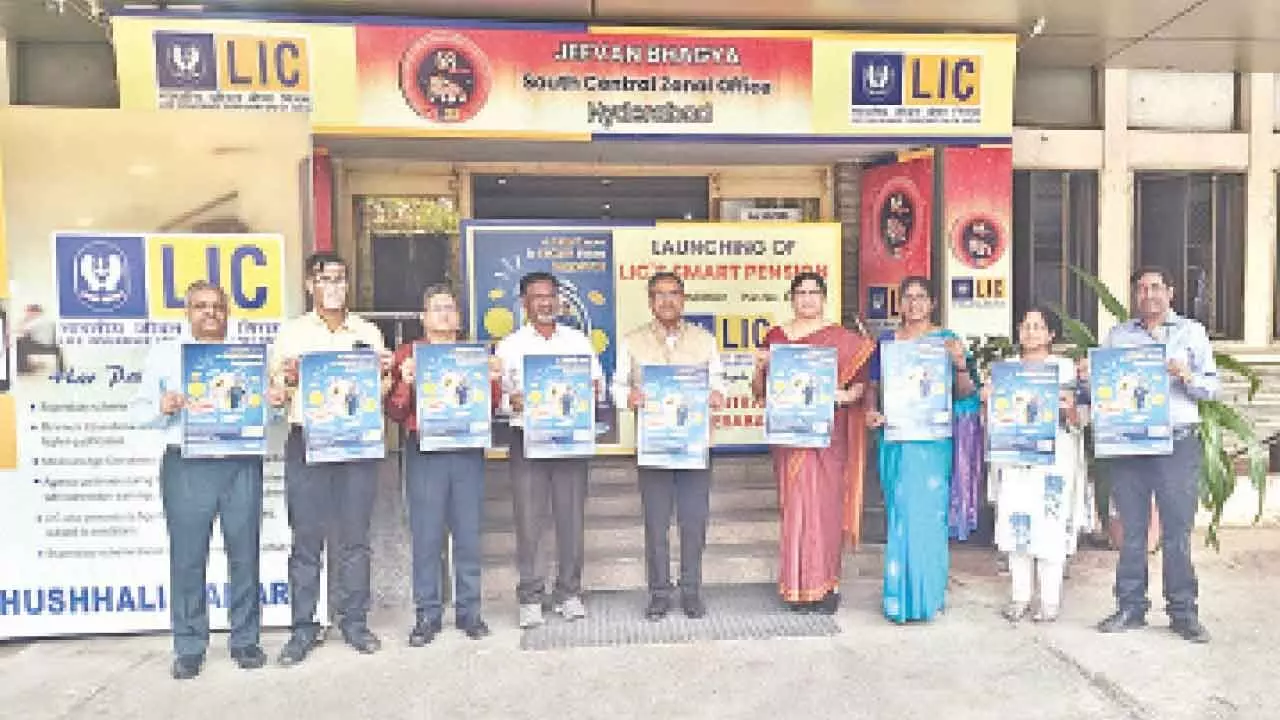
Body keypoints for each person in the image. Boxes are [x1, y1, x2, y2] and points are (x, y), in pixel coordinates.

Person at [131, 281, 282, 679]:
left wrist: (276, 405)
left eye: (218, 306)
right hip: (187, 464)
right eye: (201, 306)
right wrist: (162, 407)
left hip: (240, 464)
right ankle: (189, 645)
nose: (210, 313)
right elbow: (139, 411)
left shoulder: (250, 357)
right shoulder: (165, 355)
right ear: (188, 312)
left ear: (228, 312)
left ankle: (246, 641)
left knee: (245, 555)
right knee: (187, 558)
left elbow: (271, 416)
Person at [269, 253, 393, 665]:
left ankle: (354, 622)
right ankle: (303, 628)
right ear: (310, 284)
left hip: (356, 443)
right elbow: (276, 391)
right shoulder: (291, 334)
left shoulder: (368, 332)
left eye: (341, 278)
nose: (335, 285)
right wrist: (285, 380)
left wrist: (387, 373)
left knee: (356, 537)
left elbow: (385, 389)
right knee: (306, 537)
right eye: (326, 279)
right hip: (308, 441)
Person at [1094, 267, 1217, 644]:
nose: (1149, 293)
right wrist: (1090, 379)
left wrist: (1186, 377)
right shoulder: (1119, 336)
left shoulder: (1191, 333)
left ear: (1171, 293)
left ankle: (1183, 612)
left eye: (1156, 287)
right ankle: (1130, 606)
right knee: (1132, 532)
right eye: (1142, 288)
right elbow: (1106, 388)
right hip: (1130, 445)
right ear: (1135, 295)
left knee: (1177, 532)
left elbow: (1212, 389)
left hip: (1176, 444)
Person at [751, 271, 873, 613]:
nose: (807, 299)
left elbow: (860, 386)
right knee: (796, 509)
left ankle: (826, 585)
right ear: (791, 298)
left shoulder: (842, 340)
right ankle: (797, 587)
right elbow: (760, 392)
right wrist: (759, 368)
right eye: (800, 293)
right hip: (790, 438)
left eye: (813, 292)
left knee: (825, 509)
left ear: (823, 298)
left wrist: (844, 396)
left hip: (827, 436)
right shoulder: (776, 337)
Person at [385, 285, 500, 644]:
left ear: (459, 317)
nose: (445, 315)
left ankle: (470, 612)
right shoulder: (409, 354)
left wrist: (493, 382)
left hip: (466, 450)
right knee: (427, 536)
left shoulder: (475, 355)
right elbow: (394, 412)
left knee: (467, 534)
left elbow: (491, 407)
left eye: (450, 308)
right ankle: (427, 615)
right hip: (425, 451)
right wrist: (405, 383)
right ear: (423, 317)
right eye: (436, 308)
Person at [612, 272, 726, 620]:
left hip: (694, 448)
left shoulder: (705, 341)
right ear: (650, 302)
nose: (667, 301)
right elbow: (616, 387)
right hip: (654, 449)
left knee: (694, 523)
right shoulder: (632, 342)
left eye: (673, 294)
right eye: (659, 295)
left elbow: (719, 382)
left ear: (683, 298)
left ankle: (691, 591)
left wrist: (718, 394)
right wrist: (628, 396)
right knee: (656, 524)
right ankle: (659, 593)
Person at [494, 271, 603, 629]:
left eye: (550, 296)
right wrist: (514, 401)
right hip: (528, 439)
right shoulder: (509, 346)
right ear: (524, 303)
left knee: (571, 519)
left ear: (560, 301)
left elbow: (598, 389)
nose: (545, 303)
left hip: (570, 441)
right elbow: (498, 401)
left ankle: (569, 593)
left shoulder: (577, 342)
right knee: (529, 521)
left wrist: (590, 390)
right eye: (537, 297)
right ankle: (530, 596)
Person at [866, 275, 978, 623]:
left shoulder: (947, 342)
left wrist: (959, 364)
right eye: (908, 297)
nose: (914, 304)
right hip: (897, 440)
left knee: (929, 516)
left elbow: (965, 393)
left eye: (921, 297)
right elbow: (872, 386)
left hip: (932, 443)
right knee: (902, 515)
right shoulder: (887, 343)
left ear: (932, 304)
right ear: (899, 304)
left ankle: (928, 595)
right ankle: (899, 597)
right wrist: (871, 409)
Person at [983, 307, 1089, 623]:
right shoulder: (1005, 370)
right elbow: (992, 421)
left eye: (1038, 326)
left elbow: (1079, 420)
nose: (1030, 332)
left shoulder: (1066, 370)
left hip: (1054, 461)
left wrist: (1068, 408)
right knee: (1016, 524)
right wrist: (987, 401)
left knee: (1051, 526)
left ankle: (1050, 600)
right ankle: (1019, 596)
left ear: (1051, 334)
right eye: (1025, 326)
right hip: (1016, 459)